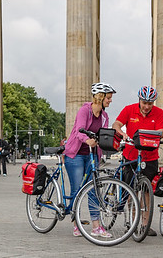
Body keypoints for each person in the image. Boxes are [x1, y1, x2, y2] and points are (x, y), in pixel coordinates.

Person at [63, 82, 116, 238]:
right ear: (100, 97)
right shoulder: (84, 111)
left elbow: (103, 135)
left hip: (92, 155)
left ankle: (96, 226)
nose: (110, 100)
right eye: (109, 97)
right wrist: (87, 140)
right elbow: (79, 130)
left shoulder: (105, 116)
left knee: (93, 189)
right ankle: (76, 224)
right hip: (76, 154)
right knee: (77, 189)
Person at [112, 85, 163, 237]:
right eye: (144, 103)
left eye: (150, 103)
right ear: (139, 100)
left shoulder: (159, 112)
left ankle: (145, 224)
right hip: (131, 155)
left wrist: (158, 134)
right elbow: (117, 124)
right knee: (131, 191)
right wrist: (121, 133)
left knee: (147, 192)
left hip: (150, 156)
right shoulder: (129, 109)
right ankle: (132, 221)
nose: (147, 106)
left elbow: (162, 130)